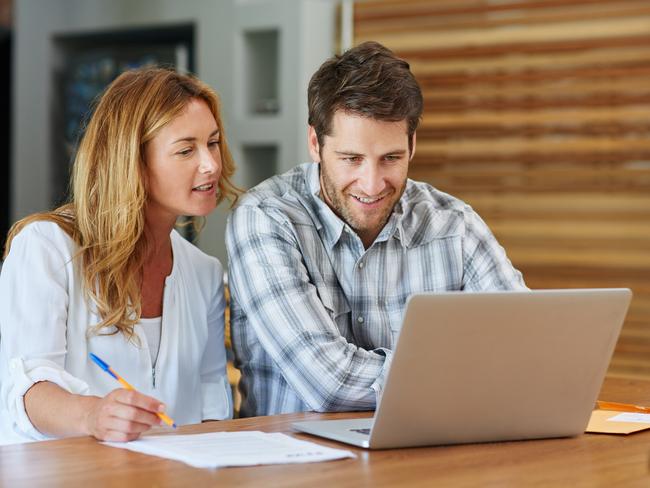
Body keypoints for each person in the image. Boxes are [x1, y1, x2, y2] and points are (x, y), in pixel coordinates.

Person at [226, 41, 527, 417]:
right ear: (315, 144)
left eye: (391, 158)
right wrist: (466, 378)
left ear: (412, 145)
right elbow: (330, 384)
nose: (372, 184)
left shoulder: (454, 224)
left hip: (427, 458)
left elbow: (524, 352)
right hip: (299, 469)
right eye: (351, 159)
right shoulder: (265, 218)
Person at [0, 67, 238, 443]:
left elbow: (211, 402)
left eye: (213, 143)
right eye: (186, 149)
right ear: (133, 162)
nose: (211, 163)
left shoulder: (204, 272)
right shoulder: (46, 247)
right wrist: (93, 414)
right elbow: (28, 391)